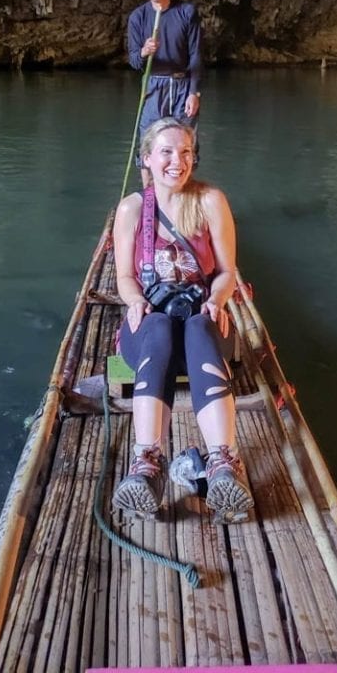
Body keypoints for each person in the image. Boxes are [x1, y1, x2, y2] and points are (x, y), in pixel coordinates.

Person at [111, 117, 253, 523]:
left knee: (198, 328)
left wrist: (218, 299)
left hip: (201, 322)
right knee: (156, 327)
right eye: (168, 152)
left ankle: (223, 461)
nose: (178, 161)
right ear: (148, 159)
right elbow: (124, 276)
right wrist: (136, 300)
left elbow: (227, 271)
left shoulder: (210, 201)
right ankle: (147, 463)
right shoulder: (132, 209)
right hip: (152, 328)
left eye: (186, 152)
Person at [127, 0, 202, 183]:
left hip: (182, 85)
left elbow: (196, 55)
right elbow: (133, 61)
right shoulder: (138, 18)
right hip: (153, 85)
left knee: (185, 143)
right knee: (148, 143)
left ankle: (182, 200)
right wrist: (143, 52)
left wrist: (194, 92)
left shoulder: (187, 12)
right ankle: (150, 200)